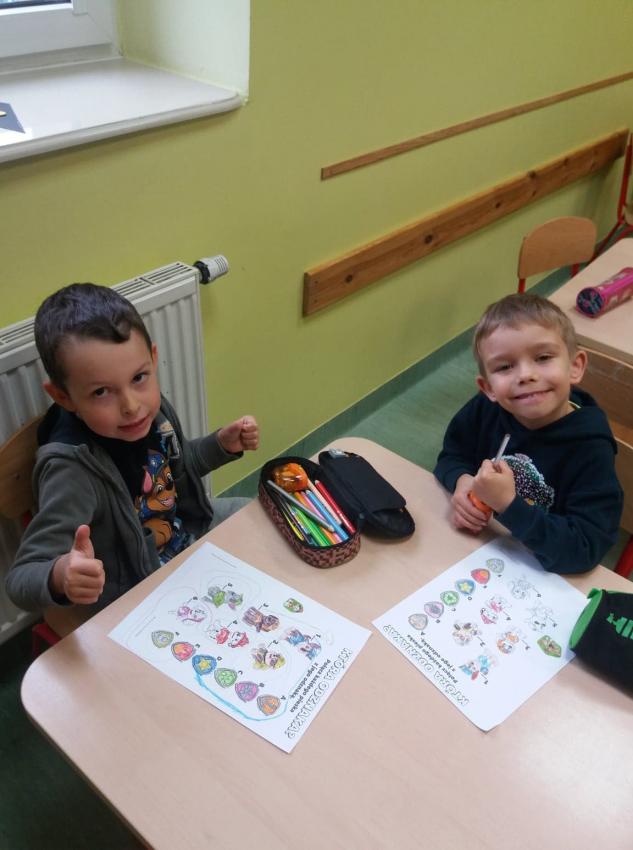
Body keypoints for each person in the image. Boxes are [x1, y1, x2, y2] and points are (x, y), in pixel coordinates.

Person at [6, 283, 260, 613]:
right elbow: (20, 579)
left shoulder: (153, 414)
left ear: (152, 360)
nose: (131, 406)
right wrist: (59, 575)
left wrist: (221, 445)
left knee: (258, 516)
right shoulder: (71, 471)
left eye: (138, 377)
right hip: (137, 588)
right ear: (63, 397)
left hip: (185, 534)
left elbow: (179, 469)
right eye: (101, 392)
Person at [434, 292, 623, 574]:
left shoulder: (590, 448)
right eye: (505, 366)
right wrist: (463, 481)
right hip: (482, 553)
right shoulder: (486, 409)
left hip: (541, 570)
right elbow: (452, 455)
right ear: (488, 388)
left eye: (543, 357)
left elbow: (584, 548)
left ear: (575, 366)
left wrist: (508, 504)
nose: (525, 375)